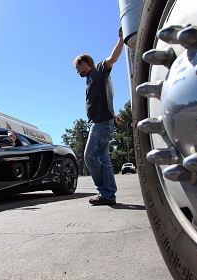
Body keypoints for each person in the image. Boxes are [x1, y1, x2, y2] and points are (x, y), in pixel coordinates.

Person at [73, 27, 124, 206]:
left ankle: (105, 192)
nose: (76, 71)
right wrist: (114, 114)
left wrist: (121, 39)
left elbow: (113, 58)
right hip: (103, 121)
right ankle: (108, 194)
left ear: (85, 63)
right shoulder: (91, 80)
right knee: (103, 158)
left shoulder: (99, 71)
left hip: (101, 123)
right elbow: (106, 96)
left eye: (77, 67)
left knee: (89, 156)